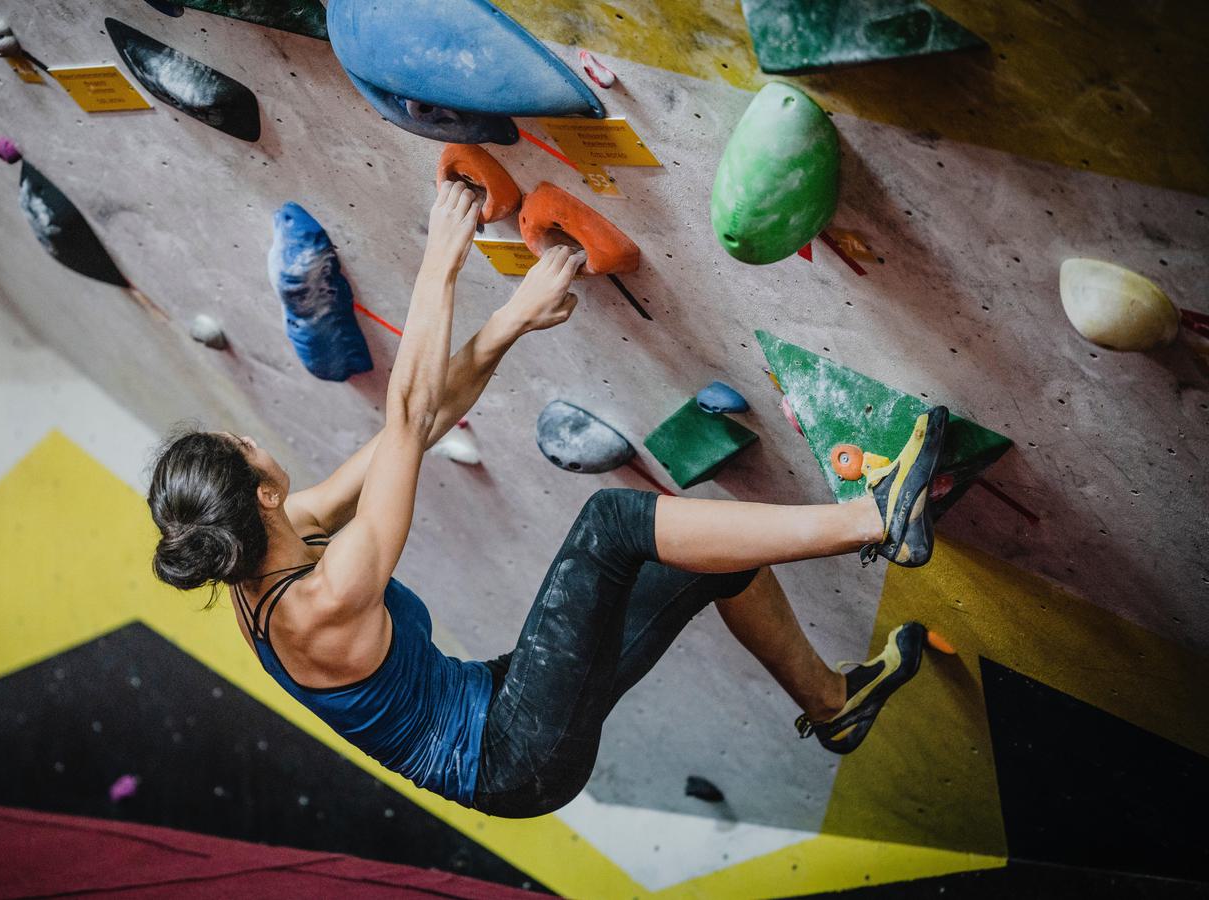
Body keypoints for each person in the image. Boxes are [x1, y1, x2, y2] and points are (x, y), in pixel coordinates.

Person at [147, 182, 945, 818]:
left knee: (707, 559)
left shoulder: (285, 535)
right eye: (242, 447)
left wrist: (510, 325)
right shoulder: (322, 599)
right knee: (614, 525)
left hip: (503, 702)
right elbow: (408, 413)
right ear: (261, 490)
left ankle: (835, 704)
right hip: (513, 759)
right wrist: (441, 257)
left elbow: (415, 433)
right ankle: (875, 519)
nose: (253, 440)